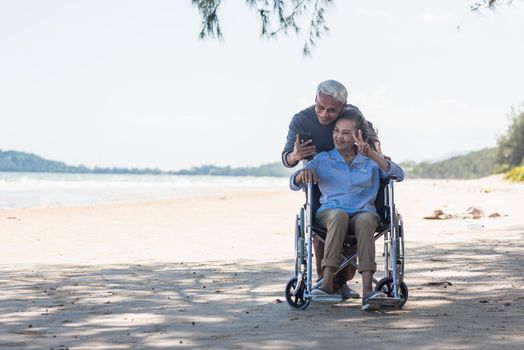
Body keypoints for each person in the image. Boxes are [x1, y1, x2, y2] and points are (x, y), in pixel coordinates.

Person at [289, 109, 404, 311]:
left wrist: (374, 156)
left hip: (364, 213)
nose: (338, 137)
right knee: (339, 215)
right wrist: (303, 173)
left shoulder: (370, 160)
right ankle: (326, 284)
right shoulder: (323, 159)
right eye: (336, 131)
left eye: (345, 133)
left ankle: (368, 291)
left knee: (366, 220)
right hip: (329, 214)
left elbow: (398, 174)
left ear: (358, 135)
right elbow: (293, 182)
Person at [282, 79, 381, 299]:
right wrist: (297, 157)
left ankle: (343, 282)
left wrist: (377, 156)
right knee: (328, 225)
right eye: (320, 107)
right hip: (320, 174)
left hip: (354, 170)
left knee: (358, 222)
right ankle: (326, 281)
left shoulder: (352, 115)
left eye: (331, 110)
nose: (325, 114)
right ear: (315, 99)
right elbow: (287, 159)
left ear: (343, 107)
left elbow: (371, 138)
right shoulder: (301, 120)